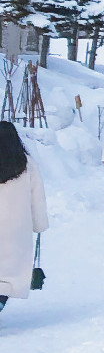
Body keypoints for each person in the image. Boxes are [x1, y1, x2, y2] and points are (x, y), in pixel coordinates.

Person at [0, 121, 48, 315]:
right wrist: (39, 225)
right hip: (16, 227)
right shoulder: (27, 163)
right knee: (9, 273)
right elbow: (37, 197)